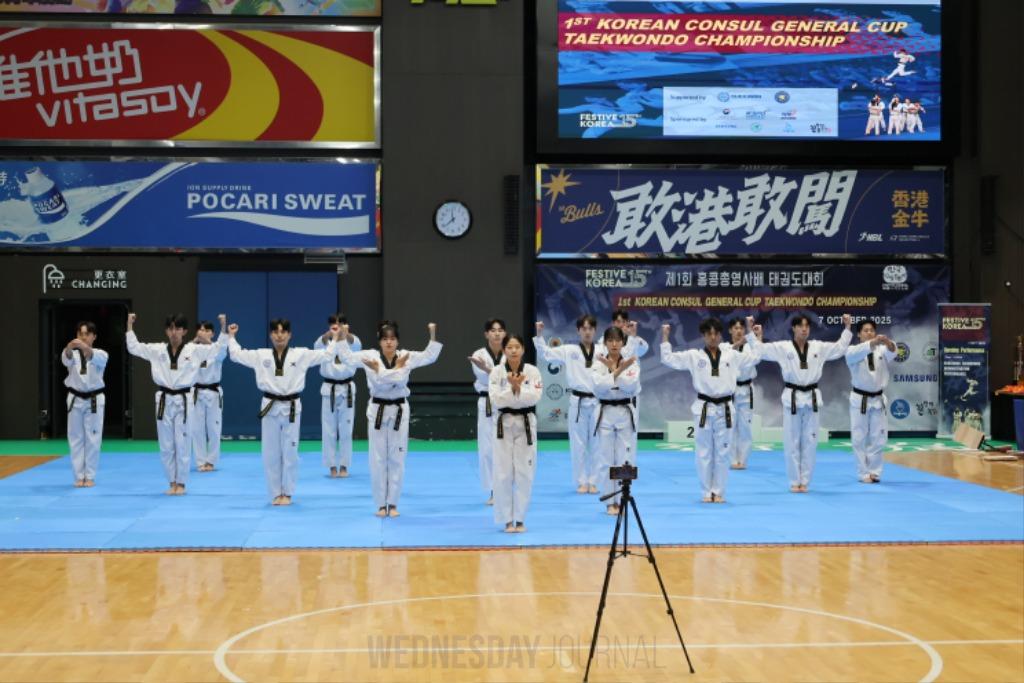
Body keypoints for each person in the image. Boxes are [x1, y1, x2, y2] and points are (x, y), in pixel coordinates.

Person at [227, 318, 343, 505]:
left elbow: (327, 355)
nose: (279, 335)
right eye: (275, 332)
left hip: (291, 406)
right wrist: (231, 337)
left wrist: (335, 338)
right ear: (270, 335)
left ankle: (287, 492)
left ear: (289, 335)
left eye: (283, 332)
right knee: (270, 453)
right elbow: (236, 355)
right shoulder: (261, 355)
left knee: (290, 452)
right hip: (270, 405)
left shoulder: (301, 354)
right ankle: (275, 493)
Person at [336, 320, 442, 517]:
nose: (389, 342)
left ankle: (393, 504)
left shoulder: (406, 357)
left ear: (397, 341)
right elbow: (347, 358)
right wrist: (342, 337)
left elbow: (430, 356)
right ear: (380, 341)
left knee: (397, 459)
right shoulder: (370, 356)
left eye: (392, 339)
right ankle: (379, 504)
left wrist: (433, 334)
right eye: (385, 339)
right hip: (377, 409)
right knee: (377, 459)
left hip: (399, 409)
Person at [748, 313, 853, 493]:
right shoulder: (783, 347)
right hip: (793, 398)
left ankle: (805, 481)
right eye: (800, 326)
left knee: (810, 441)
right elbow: (761, 351)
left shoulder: (818, 347)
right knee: (792, 441)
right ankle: (794, 481)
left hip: (811, 397)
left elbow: (839, 348)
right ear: (794, 328)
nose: (804, 329)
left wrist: (848, 328)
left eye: (807, 326)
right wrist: (752, 334)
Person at [660, 319, 759, 503]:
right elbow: (668, 359)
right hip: (704, 408)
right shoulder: (694, 356)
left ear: (720, 335)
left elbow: (755, 357)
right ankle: (706, 492)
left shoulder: (731, 355)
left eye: (716, 334)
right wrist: (665, 337)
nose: (713, 337)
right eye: (709, 334)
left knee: (723, 452)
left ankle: (719, 491)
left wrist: (753, 336)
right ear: (703, 336)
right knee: (704, 452)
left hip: (725, 408)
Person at [127, 312, 224, 495]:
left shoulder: (193, 350)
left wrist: (223, 327)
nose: (174, 332)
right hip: (164, 399)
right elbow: (134, 347)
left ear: (184, 331)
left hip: (184, 399)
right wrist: (130, 326)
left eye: (178, 328)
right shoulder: (157, 350)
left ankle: (182, 483)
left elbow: (218, 349)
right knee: (166, 444)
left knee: (183, 442)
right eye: (170, 328)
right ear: (166, 330)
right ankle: (171, 481)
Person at [534, 315, 601, 494]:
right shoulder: (569, 350)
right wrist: (539, 335)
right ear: (578, 331)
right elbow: (546, 354)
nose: (587, 332)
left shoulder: (602, 350)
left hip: (597, 401)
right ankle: (581, 481)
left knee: (598, 443)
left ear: (595, 331)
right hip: (577, 401)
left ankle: (594, 480)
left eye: (590, 328)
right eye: (584, 328)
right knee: (578, 444)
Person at [489, 333, 543, 532]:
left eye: (517, 347)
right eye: (509, 347)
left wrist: (518, 388)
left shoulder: (532, 371)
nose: (513, 351)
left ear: (523, 349)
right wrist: (513, 389)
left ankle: (520, 519)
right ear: (504, 350)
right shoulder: (496, 372)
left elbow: (535, 397)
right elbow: (496, 400)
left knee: (525, 473)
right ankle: (506, 519)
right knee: (503, 473)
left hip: (525, 423)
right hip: (503, 424)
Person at [591, 326, 641, 515]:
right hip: (605, 412)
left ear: (623, 343)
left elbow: (631, 387)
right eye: (610, 340)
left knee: (625, 459)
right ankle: (609, 501)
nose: (614, 344)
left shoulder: (631, 363)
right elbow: (598, 386)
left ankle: (622, 500)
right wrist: (618, 372)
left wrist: (613, 371)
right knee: (605, 458)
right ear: (605, 343)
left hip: (624, 412)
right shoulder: (598, 363)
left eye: (617, 340)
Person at [845, 319, 898, 483]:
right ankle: (863, 473)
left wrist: (887, 342)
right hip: (860, 399)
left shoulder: (881, 350)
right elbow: (861, 350)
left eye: (872, 330)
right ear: (858, 334)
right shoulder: (852, 351)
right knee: (859, 438)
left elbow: (893, 351)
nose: (869, 333)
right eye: (866, 330)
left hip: (878, 399)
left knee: (879, 437)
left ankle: (875, 471)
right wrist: (873, 342)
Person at [314, 314, 362, 479]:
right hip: (329, 389)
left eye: (340, 323)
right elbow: (317, 345)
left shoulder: (353, 341)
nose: (337, 326)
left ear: (346, 325)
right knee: (329, 430)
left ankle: (344, 465)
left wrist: (345, 334)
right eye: (333, 323)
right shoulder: (324, 342)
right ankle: (332, 466)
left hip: (347, 389)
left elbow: (356, 344)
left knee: (346, 430)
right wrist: (330, 335)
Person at [63, 321, 108, 487]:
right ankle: (78, 476)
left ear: (94, 336)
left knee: (93, 438)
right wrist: (69, 347)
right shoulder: (72, 354)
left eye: (87, 334)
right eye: (80, 334)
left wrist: (83, 347)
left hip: (94, 399)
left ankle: (89, 476)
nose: (83, 337)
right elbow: (66, 359)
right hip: (75, 398)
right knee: (75, 438)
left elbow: (91, 354)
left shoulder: (101, 354)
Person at [468, 318, 506, 505]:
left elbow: (508, 378)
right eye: (493, 330)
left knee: (505, 448)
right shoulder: (479, 354)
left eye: (500, 330)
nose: (497, 333)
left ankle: (505, 489)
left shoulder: (511, 351)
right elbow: (486, 378)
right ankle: (493, 490)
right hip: (487, 402)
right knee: (487, 449)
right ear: (486, 334)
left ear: (504, 333)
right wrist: (490, 370)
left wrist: (488, 369)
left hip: (506, 403)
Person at [722, 317, 762, 470]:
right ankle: (732, 459)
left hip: (746, 390)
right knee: (730, 426)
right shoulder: (724, 346)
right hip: (730, 390)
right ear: (730, 330)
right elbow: (722, 356)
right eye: (736, 328)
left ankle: (742, 459)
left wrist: (757, 337)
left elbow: (759, 355)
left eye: (741, 328)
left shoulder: (750, 347)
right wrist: (738, 344)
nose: (739, 331)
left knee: (745, 427)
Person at [191, 315, 228, 472]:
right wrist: (195, 341)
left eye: (206, 330)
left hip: (213, 392)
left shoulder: (217, 348)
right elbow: (182, 354)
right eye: (200, 330)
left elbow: (223, 346)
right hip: (196, 392)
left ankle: (211, 461)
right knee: (196, 429)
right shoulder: (191, 348)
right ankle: (200, 461)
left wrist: (223, 324)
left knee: (214, 428)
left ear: (212, 333)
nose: (203, 332)